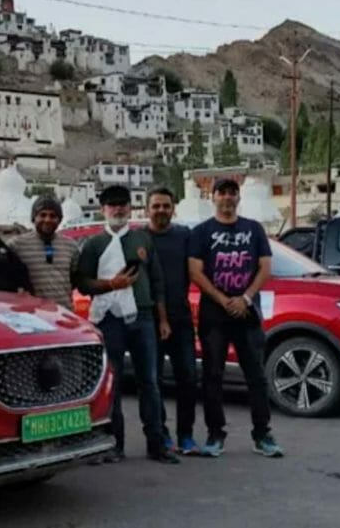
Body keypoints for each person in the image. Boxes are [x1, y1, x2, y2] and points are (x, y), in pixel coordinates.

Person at [75, 186, 179, 464]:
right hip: (109, 319)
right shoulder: (94, 244)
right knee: (114, 383)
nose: (118, 209)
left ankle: (156, 444)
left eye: (122, 205)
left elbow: (157, 281)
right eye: (112, 205)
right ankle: (114, 444)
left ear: (130, 209)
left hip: (143, 317)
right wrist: (110, 284)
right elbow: (82, 283)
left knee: (150, 382)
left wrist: (163, 319)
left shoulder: (142, 239)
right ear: (103, 210)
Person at [188, 178, 283, 458]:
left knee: (255, 375)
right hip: (214, 314)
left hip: (247, 311)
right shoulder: (201, 232)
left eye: (232, 193)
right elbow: (195, 271)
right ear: (212, 197)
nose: (227, 198)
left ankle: (262, 434)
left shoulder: (253, 230)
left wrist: (245, 298)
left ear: (238, 198)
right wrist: (223, 299)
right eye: (222, 193)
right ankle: (215, 435)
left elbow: (265, 267)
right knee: (212, 376)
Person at [145, 187, 200, 456]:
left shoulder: (184, 236)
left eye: (166, 206)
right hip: (148, 323)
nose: (161, 211)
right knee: (153, 382)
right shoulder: (139, 238)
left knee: (188, 378)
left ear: (173, 208)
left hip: (181, 319)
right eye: (156, 206)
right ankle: (161, 434)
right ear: (147, 210)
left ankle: (186, 435)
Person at [8, 195, 79, 309]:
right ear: (33, 218)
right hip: (33, 316)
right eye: (42, 215)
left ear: (59, 219)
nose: (47, 219)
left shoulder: (71, 246)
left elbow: (75, 279)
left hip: (64, 315)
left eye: (53, 216)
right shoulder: (16, 245)